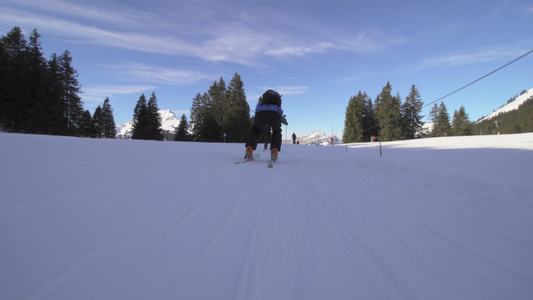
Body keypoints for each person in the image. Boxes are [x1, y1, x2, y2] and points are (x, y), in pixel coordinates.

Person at [244, 89, 286, 162]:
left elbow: (257, 110)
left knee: (256, 129)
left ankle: (249, 148)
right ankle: (274, 151)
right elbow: (280, 112)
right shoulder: (276, 103)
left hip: (261, 113)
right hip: (275, 113)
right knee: (276, 131)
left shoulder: (262, 103)